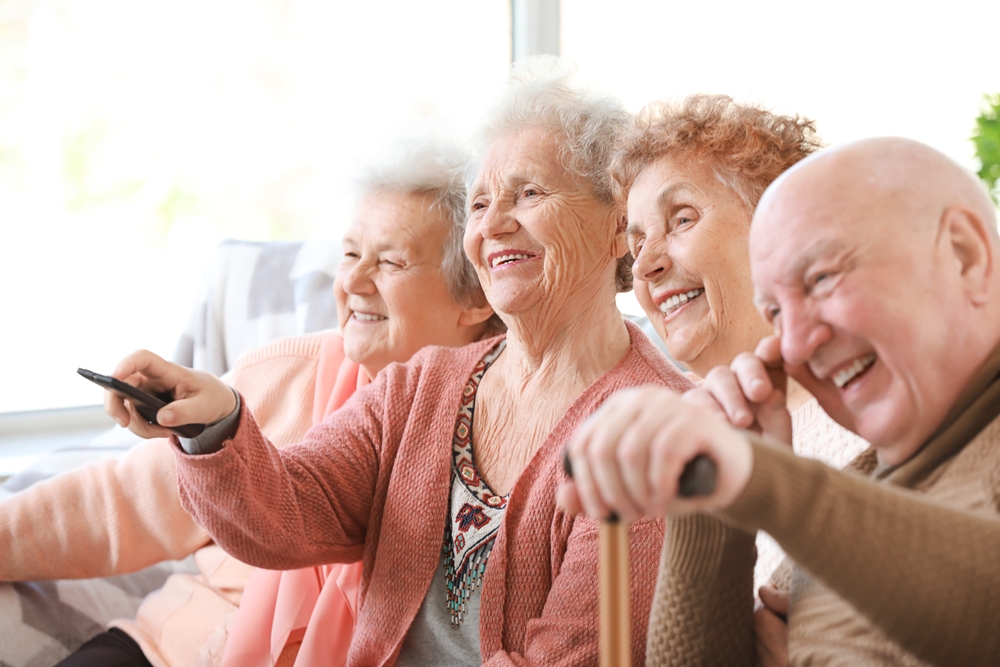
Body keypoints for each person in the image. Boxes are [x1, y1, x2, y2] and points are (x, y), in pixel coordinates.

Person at [103, 56, 689, 666]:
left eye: (530, 193)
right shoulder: (421, 388)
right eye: (481, 203)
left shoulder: (655, 430)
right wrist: (214, 423)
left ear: (619, 227)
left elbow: (575, 656)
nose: (494, 225)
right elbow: (287, 515)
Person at [0, 136, 500, 667]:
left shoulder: (500, 432)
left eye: (390, 262)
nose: (353, 280)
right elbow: (119, 504)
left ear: (474, 296)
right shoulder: (285, 377)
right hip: (170, 652)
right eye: (350, 254)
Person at [561, 136, 1000, 666]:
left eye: (821, 279)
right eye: (775, 313)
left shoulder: (829, 507)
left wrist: (755, 476)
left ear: (965, 255)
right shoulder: (863, 491)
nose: (793, 345)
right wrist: (710, 507)